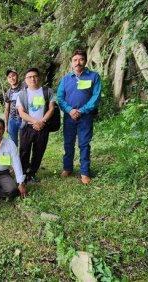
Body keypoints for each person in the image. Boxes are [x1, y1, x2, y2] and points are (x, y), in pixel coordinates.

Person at [57, 49, 101, 184]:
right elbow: (60, 97)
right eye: (75, 60)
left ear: (85, 61)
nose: (78, 62)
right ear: (71, 63)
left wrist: (81, 110)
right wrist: (70, 110)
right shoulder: (65, 79)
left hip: (85, 117)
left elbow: (96, 96)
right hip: (69, 117)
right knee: (68, 143)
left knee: (84, 144)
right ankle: (67, 167)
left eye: (81, 59)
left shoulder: (94, 77)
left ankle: (85, 172)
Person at [16, 68, 55, 183]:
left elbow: (51, 108)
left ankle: (32, 172)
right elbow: (21, 112)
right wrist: (35, 121)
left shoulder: (47, 91)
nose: (32, 79)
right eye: (29, 77)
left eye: (35, 76)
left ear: (39, 77)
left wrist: (42, 122)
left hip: (43, 127)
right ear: (25, 80)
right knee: (24, 150)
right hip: (27, 127)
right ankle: (23, 173)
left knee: (39, 150)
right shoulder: (22, 94)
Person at [3, 69, 25, 146]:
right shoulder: (8, 93)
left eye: (13, 76)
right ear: (7, 79)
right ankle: (14, 158)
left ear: (17, 76)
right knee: (12, 143)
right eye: (9, 77)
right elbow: (6, 109)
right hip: (12, 119)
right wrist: (6, 125)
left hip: (24, 119)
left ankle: (23, 158)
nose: (12, 78)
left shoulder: (25, 87)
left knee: (24, 142)